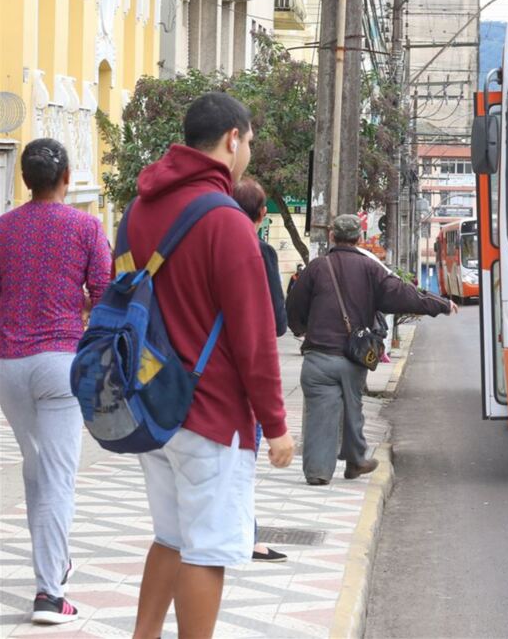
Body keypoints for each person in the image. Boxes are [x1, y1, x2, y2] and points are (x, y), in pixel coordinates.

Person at [126, 92, 294, 639]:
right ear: (232, 139)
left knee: (170, 537)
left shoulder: (138, 208)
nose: (247, 150)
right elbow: (254, 337)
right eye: (247, 141)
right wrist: (276, 426)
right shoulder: (226, 221)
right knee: (208, 548)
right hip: (211, 413)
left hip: (151, 405)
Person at [0, 139, 111, 625]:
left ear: (26, 179)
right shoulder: (87, 226)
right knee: (56, 478)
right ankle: (49, 594)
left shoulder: (2, 229)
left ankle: (53, 562)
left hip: (8, 365)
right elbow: (105, 293)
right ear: (66, 176)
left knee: (36, 467)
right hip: (61, 361)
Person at [286, 214, 457, 485]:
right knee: (352, 407)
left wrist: (302, 329)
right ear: (360, 237)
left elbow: (294, 307)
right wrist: (441, 305)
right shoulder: (370, 268)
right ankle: (355, 461)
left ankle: (318, 472)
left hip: (317, 358)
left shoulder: (316, 268)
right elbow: (403, 295)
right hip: (351, 358)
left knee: (320, 412)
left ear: (332, 236)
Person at [232, 177, 288, 564]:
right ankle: (245, 538)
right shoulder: (261, 251)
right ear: (263, 214)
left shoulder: (206, 243)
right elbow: (277, 322)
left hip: (199, 375)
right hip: (245, 371)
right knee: (242, 462)